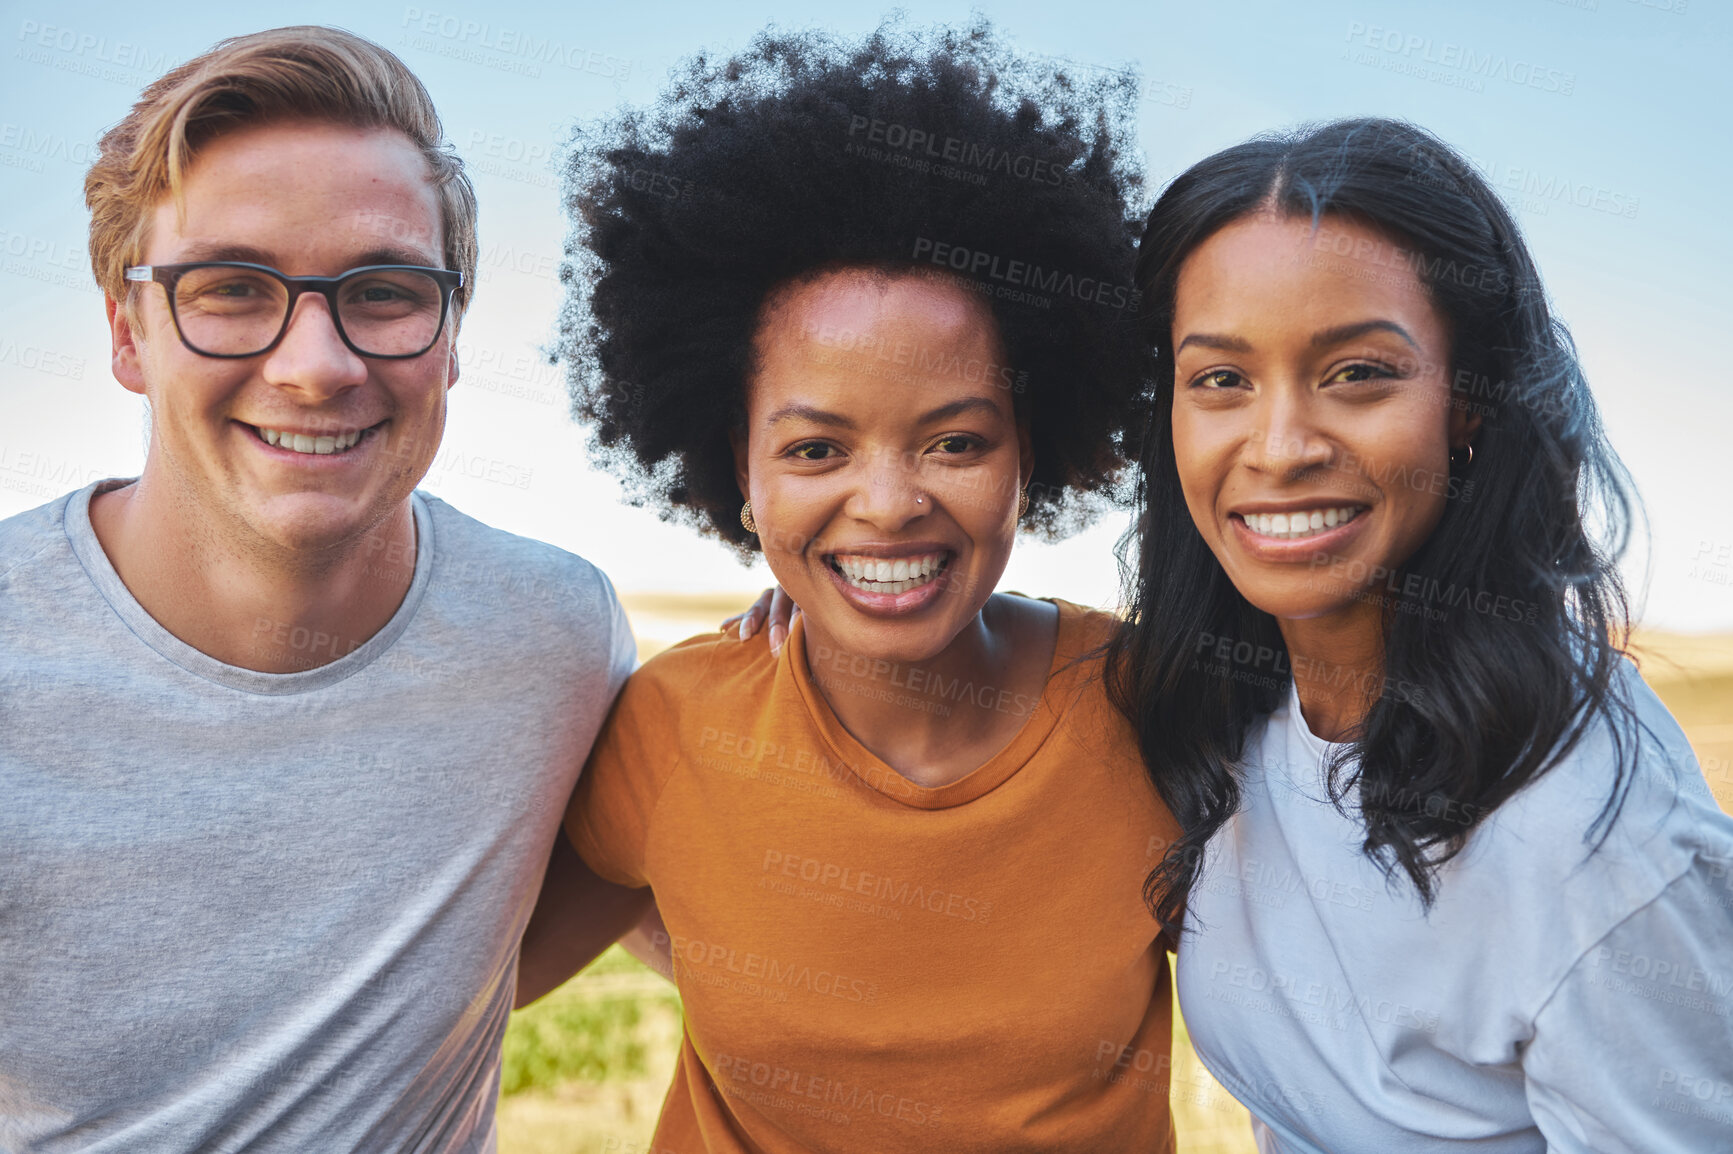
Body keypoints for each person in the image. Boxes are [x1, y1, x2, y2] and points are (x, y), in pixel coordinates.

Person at [523, 21, 1185, 1153]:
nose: (885, 504)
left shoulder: (1152, 707)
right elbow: (472, 968)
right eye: (816, 450)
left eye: (954, 442)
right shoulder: (678, 726)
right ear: (737, 470)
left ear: (1035, 450)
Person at [0, 27, 650, 1152]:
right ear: (126, 331)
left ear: (449, 338)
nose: (317, 363)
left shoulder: (553, 637)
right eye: (233, 288)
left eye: (384, 290)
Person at [1106, 117, 1733, 1152]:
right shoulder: (1219, 703)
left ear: (1469, 403)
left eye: (1356, 372)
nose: (1278, 446)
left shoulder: (1592, 847)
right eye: (1220, 378)